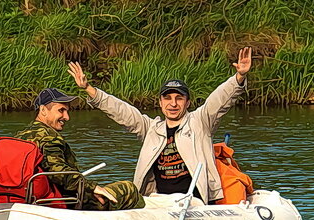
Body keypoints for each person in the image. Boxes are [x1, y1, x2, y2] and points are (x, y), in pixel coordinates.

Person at [67, 47, 252, 204]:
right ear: (161, 102)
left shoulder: (200, 121)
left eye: (179, 98)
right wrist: (88, 89)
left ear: (187, 103)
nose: (173, 104)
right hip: (159, 200)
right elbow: (121, 111)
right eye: (168, 98)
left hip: (193, 201)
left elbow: (220, 100)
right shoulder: (151, 128)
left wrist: (239, 77)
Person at [13, 87, 144, 210]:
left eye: (67, 111)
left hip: (30, 197)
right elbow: (58, 173)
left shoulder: (19, 136)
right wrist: (92, 187)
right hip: (66, 201)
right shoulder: (49, 138)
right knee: (128, 188)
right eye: (61, 110)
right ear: (43, 110)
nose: (67, 117)